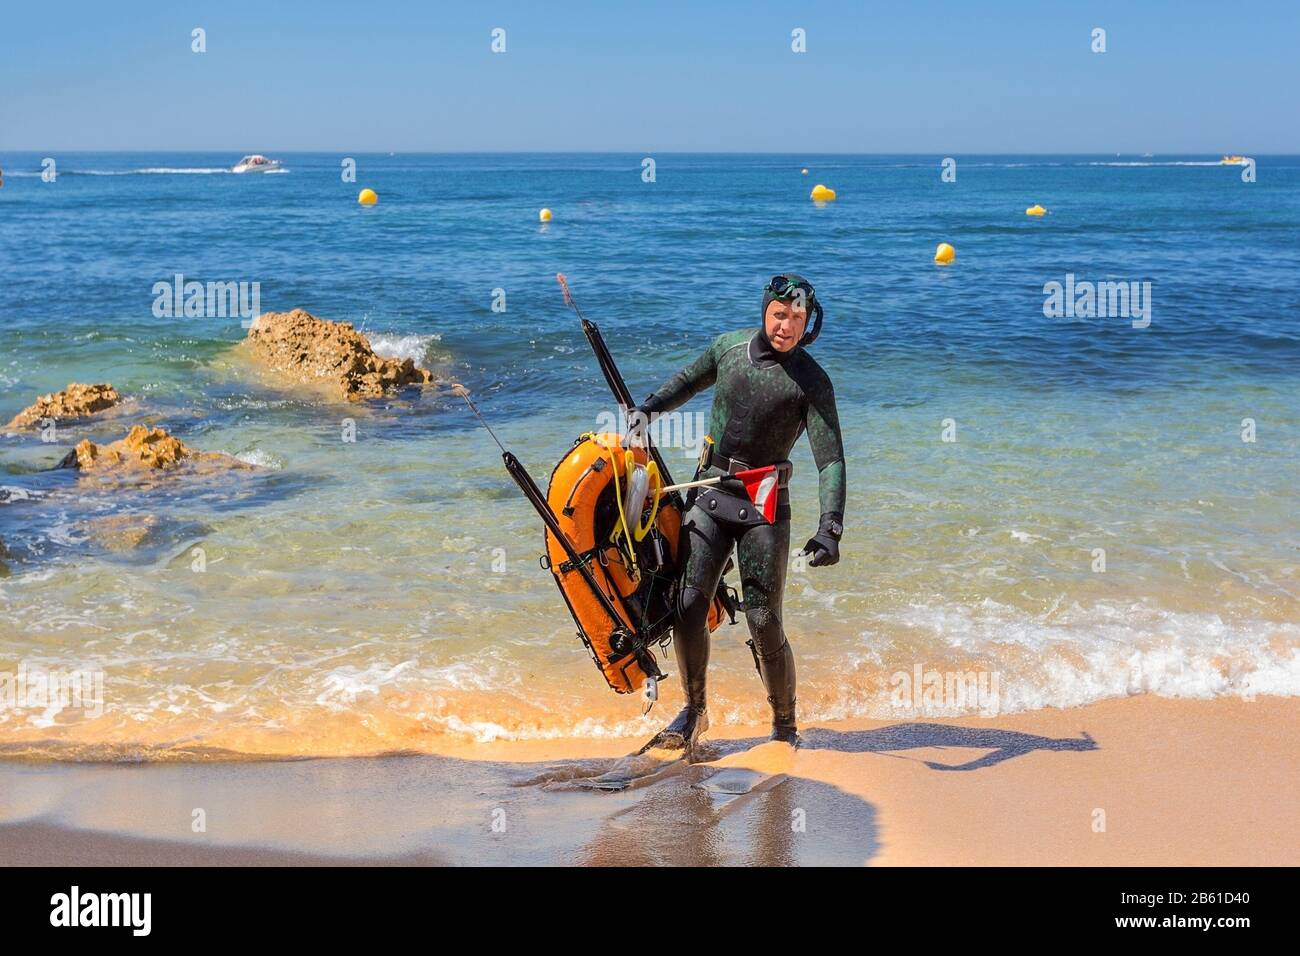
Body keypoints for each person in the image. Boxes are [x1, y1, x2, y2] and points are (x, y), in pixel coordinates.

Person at [630, 273, 845, 752]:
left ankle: (784, 725)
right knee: (687, 603)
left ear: (809, 323)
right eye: (779, 315)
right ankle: (694, 710)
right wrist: (649, 409)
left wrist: (831, 526)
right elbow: (688, 380)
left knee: (764, 618)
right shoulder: (728, 350)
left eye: (797, 318)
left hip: (763, 503)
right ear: (764, 311)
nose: (786, 326)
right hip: (710, 490)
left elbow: (830, 459)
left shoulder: (811, 381)